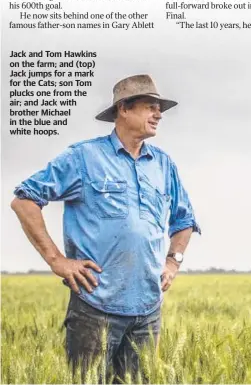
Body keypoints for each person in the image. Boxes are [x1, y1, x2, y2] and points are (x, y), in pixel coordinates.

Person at [11, 74, 201, 381]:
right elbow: (24, 200)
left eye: (160, 108)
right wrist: (57, 260)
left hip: (147, 309)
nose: (158, 114)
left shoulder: (164, 164)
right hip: (95, 306)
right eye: (150, 106)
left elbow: (185, 221)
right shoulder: (84, 157)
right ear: (123, 109)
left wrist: (173, 261)